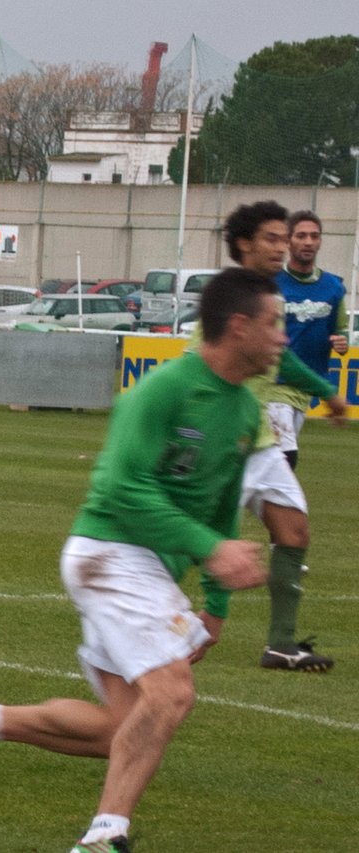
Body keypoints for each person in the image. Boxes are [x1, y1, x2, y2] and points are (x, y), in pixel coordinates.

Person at [0, 268, 278, 853]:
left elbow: (219, 504)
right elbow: (122, 489)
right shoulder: (163, 391)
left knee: (122, 727)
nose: (282, 337)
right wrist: (212, 550)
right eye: (273, 324)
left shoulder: (241, 411)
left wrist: (216, 601)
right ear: (239, 327)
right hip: (109, 553)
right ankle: (104, 837)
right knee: (173, 694)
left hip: (143, 569)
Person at [222, 202, 344, 672]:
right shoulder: (231, 294)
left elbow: (283, 358)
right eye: (273, 239)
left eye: (285, 238)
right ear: (245, 245)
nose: (285, 246)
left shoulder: (267, 295)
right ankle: (161, 616)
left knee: (293, 529)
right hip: (224, 440)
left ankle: (280, 644)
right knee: (192, 543)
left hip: (259, 440)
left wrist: (325, 393)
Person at [271, 209, 348, 472]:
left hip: (304, 390)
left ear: (320, 241)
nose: (308, 242)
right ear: (289, 241)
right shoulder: (274, 283)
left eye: (314, 236)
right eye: (301, 235)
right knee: (285, 457)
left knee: (274, 461)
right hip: (275, 384)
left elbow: (341, 329)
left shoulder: (334, 287)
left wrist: (342, 342)